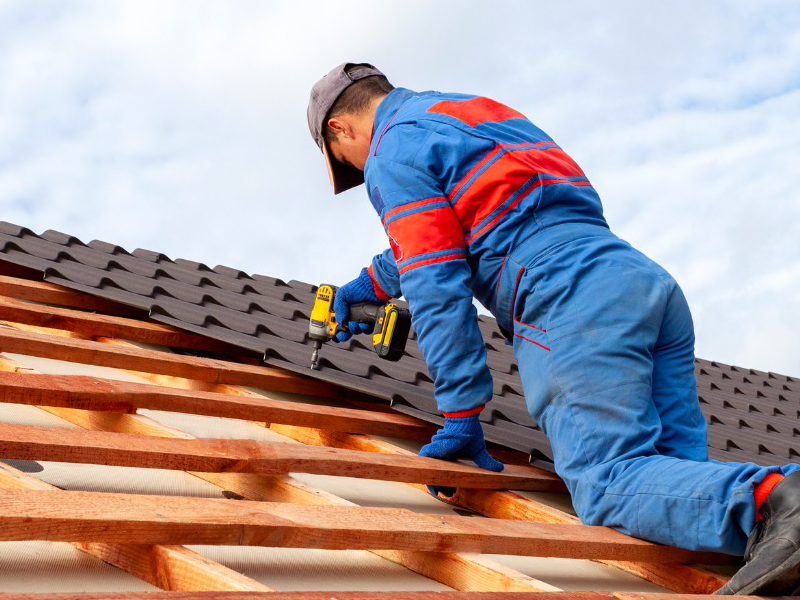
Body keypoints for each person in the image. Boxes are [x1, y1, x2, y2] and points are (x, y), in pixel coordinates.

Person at [306, 62, 800, 596]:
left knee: (608, 482)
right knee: (675, 488)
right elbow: (478, 225)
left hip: (567, 296)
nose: (362, 172)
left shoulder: (389, 151)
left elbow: (436, 283)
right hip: (636, 281)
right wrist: (370, 283)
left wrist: (461, 414)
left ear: (340, 131)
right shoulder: (470, 111)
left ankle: (785, 496)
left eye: (347, 164)